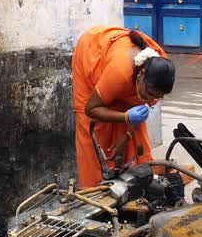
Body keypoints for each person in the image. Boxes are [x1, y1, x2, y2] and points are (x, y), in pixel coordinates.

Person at [72, 27, 176, 187]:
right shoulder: (120, 72)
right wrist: (125, 117)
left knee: (135, 136)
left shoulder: (159, 73)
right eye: (149, 93)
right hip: (91, 53)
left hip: (123, 72)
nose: (151, 99)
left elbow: (140, 109)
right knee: (95, 130)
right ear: (140, 76)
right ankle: (94, 190)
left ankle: (137, 183)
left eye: (156, 97)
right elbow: (90, 109)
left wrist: (126, 135)